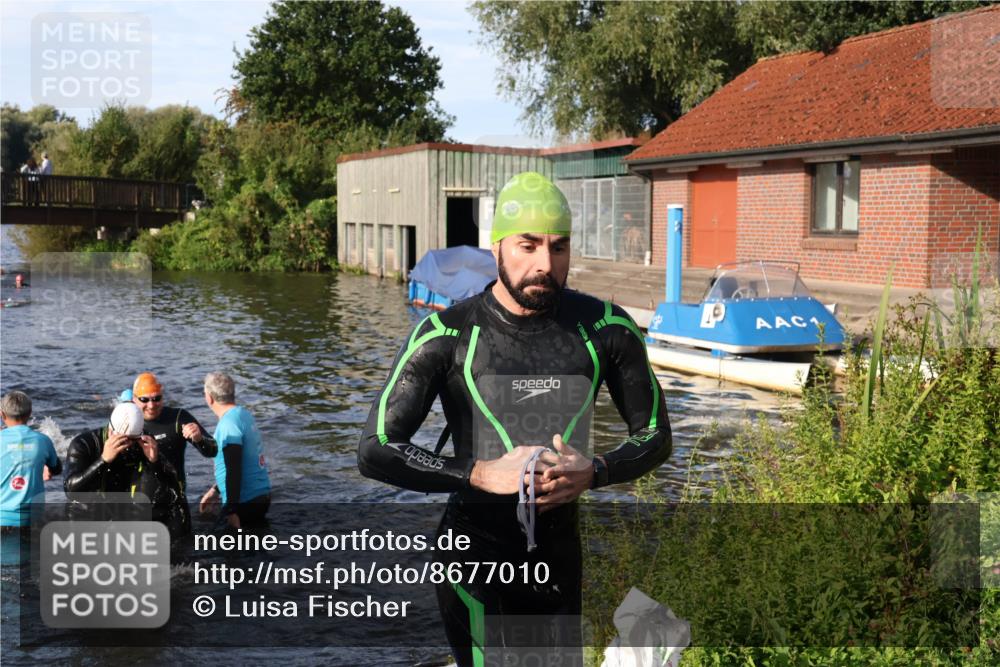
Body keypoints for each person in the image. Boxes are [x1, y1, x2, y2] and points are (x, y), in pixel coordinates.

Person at [357, 171, 672, 666]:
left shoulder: (606, 328)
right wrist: (480, 473)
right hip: (471, 555)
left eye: (559, 248)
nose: (545, 265)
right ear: (497, 247)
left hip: (557, 557)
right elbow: (376, 446)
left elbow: (655, 435)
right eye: (528, 246)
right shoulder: (446, 333)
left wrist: (596, 472)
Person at [64, 402, 189, 538]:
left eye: (132, 440)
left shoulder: (144, 442)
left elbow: (175, 490)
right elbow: (71, 490)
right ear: (111, 431)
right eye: (122, 440)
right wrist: (103, 460)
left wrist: (155, 463)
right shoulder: (84, 444)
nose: (128, 445)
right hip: (85, 517)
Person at [198, 372, 271, 530]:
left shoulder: (227, 425)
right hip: (261, 496)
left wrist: (231, 510)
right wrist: (215, 490)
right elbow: (242, 461)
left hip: (245, 502)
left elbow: (234, 468)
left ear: (209, 397)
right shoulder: (244, 415)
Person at [130, 372, 216, 492]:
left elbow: (213, 450)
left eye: (156, 398)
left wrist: (199, 439)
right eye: (144, 399)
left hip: (174, 497)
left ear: (162, 396)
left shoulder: (178, 418)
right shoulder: (126, 422)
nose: (151, 405)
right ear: (134, 399)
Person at [1, 391, 61, 529]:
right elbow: (57, 468)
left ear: (2, 414)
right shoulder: (43, 440)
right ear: (30, 413)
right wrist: (46, 467)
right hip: (33, 519)